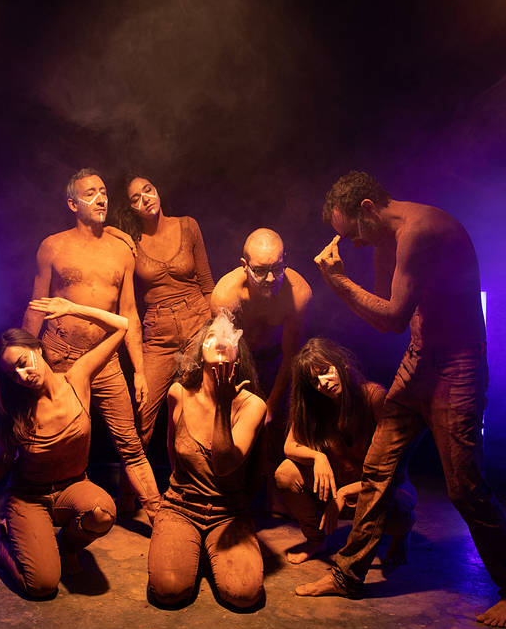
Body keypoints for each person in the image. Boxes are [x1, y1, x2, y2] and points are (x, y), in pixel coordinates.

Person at [303, 170, 506, 628]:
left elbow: (390, 317)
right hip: (418, 360)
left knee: (465, 488)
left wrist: (339, 282)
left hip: (457, 367)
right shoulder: (384, 239)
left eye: (353, 234)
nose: (355, 244)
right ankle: (348, 574)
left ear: (368, 208)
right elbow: (386, 319)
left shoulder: (420, 230)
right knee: (377, 469)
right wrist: (345, 284)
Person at [0, 297, 127, 598]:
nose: (21, 376)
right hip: (29, 498)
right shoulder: (16, 410)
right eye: (12, 374)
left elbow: (121, 326)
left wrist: (73, 308)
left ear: (38, 349)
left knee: (102, 514)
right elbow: (4, 459)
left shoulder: (77, 379)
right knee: (42, 586)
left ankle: (67, 548)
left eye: (22, 363)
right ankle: (1, 539)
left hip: (73, 487)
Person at [21, 168, 161, 523]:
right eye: (90, 194)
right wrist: (24, 358)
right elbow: (36, 306)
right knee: (55, 436)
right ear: (73, 204)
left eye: (103, 191)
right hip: (59, 356)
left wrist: (140, 371)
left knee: (130, 443)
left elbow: (129, 311)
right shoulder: (53, 246)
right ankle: (45, 509)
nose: (101, 199)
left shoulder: (121, 250)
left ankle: (160, 518)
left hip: (106, 361)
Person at [147, 312, 267, 610]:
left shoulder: (253, 406)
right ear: (200, 352)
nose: (220, 341)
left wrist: (224, 406)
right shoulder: (178, 393)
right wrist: (177, 499)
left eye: (228, 336)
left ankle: (207, 549)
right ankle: (186, 544)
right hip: (181, 507)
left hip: (229, 512)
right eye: (212, 336)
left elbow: (224, 465)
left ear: (239, 354)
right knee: (169, 591)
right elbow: (172, 449)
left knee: (243, 595)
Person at [275, 338, 415, 565]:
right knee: (286, 473)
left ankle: (400, 537)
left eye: (325, 371)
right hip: (336, 488)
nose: (323, 383)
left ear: (342, 364)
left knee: (399, 506)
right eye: (315, 381)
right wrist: (317, 457)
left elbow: (394, 468)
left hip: (375, 489)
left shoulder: (373, 397)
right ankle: (315, 540)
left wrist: (344, 493)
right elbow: (289, 446)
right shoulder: (317, 406)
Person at [114, 174, 215, 454]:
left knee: (197, 408)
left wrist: (216, 329)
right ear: (131, 208)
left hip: (197, 321)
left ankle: (189, 477)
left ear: (157, 190)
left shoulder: (188, 225)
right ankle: (131, 482)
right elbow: (105, 235)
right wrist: (117, 232)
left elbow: (207, 284)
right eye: (136, 198)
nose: (145, 199)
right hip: (158, 333)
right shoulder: (130, 242)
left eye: (148, 190)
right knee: (142, 412)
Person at [211, 228, 312, 506]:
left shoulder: (298, 293)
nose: (270, 278)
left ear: (285, 260)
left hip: (277, 358)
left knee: (276, 425)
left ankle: (276, 495)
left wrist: (271, 404)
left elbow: (292, 355)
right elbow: (223, 352)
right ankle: (233, 494)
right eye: (260, 270)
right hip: (240, 358)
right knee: (236, 422)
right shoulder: (226, 294)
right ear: (244, 266)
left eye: (277, 268)